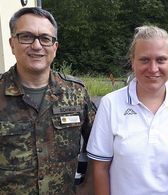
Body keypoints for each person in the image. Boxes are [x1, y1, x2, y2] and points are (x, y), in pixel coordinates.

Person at [87, 25, 168, 195]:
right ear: (132, 62)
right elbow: (100, 168)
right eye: (144, 60)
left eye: (161, 60)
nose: (153, 68)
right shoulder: (110, 104)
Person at [0, 7, 95, 194]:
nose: (36, 46)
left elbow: (100, 148)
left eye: (45, 38)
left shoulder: (76, 93)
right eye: (26, 36)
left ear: (55, 47)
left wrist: (88, 186)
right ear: (12, 44)